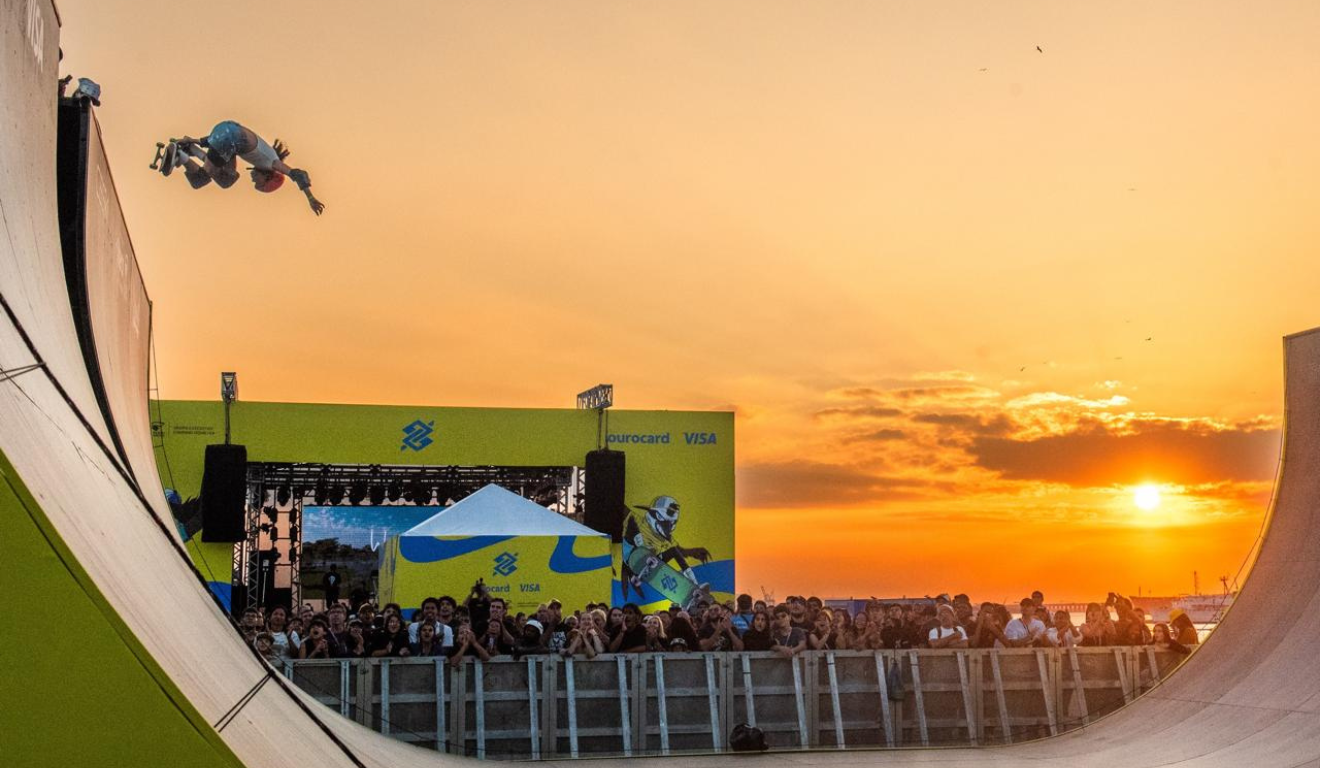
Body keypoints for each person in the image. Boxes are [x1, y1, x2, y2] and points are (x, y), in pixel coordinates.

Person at [160, 121, 325, 215]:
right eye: (258, 182)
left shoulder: (262, 155)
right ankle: (181, 156)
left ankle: (188, 148)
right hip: (232, 139)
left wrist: (196, 142)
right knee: (202, 181)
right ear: (268, 177)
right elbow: (298, 174)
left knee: (226, 177)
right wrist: (310, 198)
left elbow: (219, 151)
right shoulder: (271, 163)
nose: (253, 179)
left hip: (226, 131)